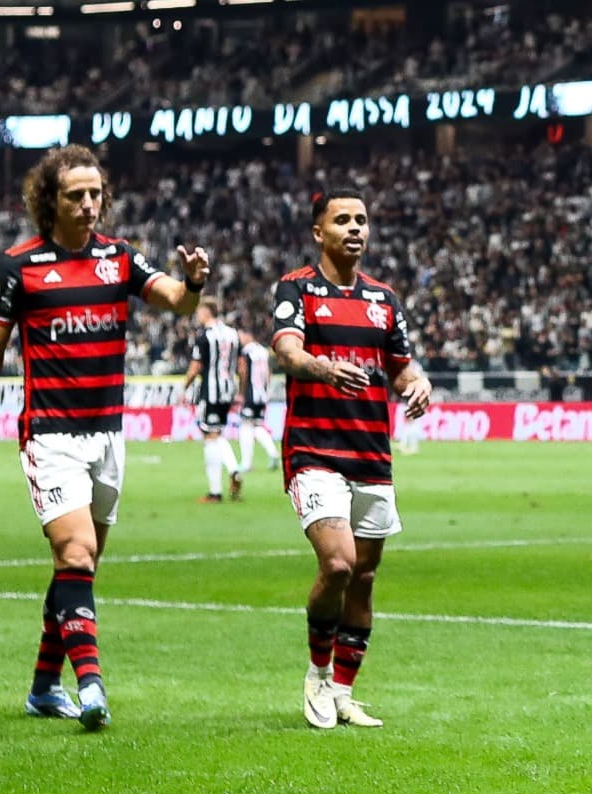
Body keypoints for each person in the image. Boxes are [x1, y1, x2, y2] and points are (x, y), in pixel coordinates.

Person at [0, 144, 210, 731]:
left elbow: (174, 301)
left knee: (78, 571)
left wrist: (191, 283)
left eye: (96, 194)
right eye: (76, 195)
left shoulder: (119, 259)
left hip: (107, 438)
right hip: (50, 436)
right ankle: (91, 687)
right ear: (50, 201)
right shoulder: (18, 268)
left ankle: (44, 687)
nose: (90, 204)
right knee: (75, 553)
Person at [271, 189, 432, 729]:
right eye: (343, 220)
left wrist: (418, 382)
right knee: (337, 563)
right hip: (314, 450)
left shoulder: (384, 299)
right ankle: (317, 674)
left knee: (363, 577)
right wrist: (324, 367)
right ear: (320, 233)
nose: (355, 228)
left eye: (362, 219)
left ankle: (343, 691)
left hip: (371, 453)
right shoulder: (296, 288)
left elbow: (401, 366)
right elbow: (288, 352)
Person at [180, 298, 241, 502]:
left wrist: (184, 387)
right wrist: (239, 391)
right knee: (217, 433)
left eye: (199, 312)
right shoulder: (233, 334)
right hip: (227, 391)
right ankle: (234, 470)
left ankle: (215, 491)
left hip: (210, 391)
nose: (197, 316)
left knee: (209, 437)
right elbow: (241, 366)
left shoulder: (205, 336)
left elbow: (195, 366)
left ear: (207, 312)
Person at [235, 327, 281, 474]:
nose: (239, 339)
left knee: (245, 426)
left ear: (248, 335)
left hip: (250, 393)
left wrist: (241, 393)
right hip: (262, 394)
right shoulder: (263, 351)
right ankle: (273, 453)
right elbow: (268, 373)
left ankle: (246, 463)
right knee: (257, 426)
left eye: (241, 335)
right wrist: (266, 390)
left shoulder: (246, 351)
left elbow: (243, 372)